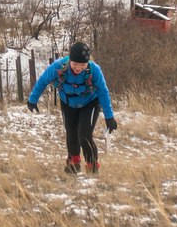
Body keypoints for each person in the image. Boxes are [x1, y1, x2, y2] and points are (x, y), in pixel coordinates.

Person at [26, 41, 117, 174]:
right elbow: (43, 80)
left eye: (82, 65)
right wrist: (33, 99)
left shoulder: (94, 70)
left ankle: (92, 166)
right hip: (67, 102)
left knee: (84, 135)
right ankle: (73, 164)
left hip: (90, 102)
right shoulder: (59, 66)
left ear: (87, 63)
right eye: (75, 64)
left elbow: (103, 91)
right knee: (71, 133)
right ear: (70, 61)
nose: (78, 68)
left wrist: (109, 117)